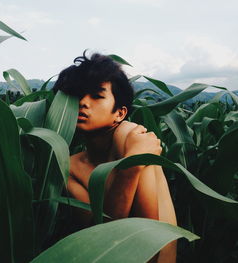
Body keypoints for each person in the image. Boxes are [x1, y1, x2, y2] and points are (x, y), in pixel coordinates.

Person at [53, 51, 177, 263]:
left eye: (97, 96)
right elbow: (100, 240)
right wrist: (130, 168)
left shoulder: (131, 135)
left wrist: (134, 162)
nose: (83, 102)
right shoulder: (68, 166)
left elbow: (148, 241)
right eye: (77, 95)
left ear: (120, 113)